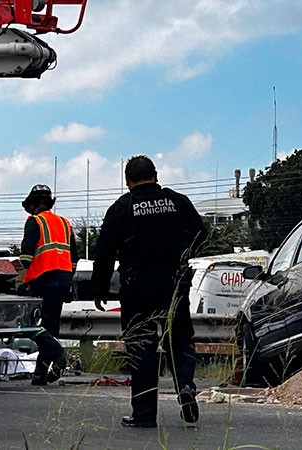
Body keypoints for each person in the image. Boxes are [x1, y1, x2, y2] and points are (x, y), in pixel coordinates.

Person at [92, 155, 206, 428]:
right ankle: (186, 387)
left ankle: (144, 414)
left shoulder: (123, 206)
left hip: (138, 287)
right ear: (156, 175)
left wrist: (100, 288)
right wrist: (184, 253)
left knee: (142, 347)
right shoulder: (177, 201)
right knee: (179, 339)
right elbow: (202, 234)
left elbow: (104, 250)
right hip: (174, 283)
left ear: (128, 181)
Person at [19, 184, 78, 385]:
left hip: (42, 280)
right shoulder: (64, 223)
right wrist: (68, 279)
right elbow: (74, 258)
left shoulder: (35, 221)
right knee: (50, 327)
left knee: (29, 324)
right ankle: (40, 374)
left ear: (33, 205)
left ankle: (58, 353)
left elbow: (26, 256)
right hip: (63, 280)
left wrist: (19, 281)